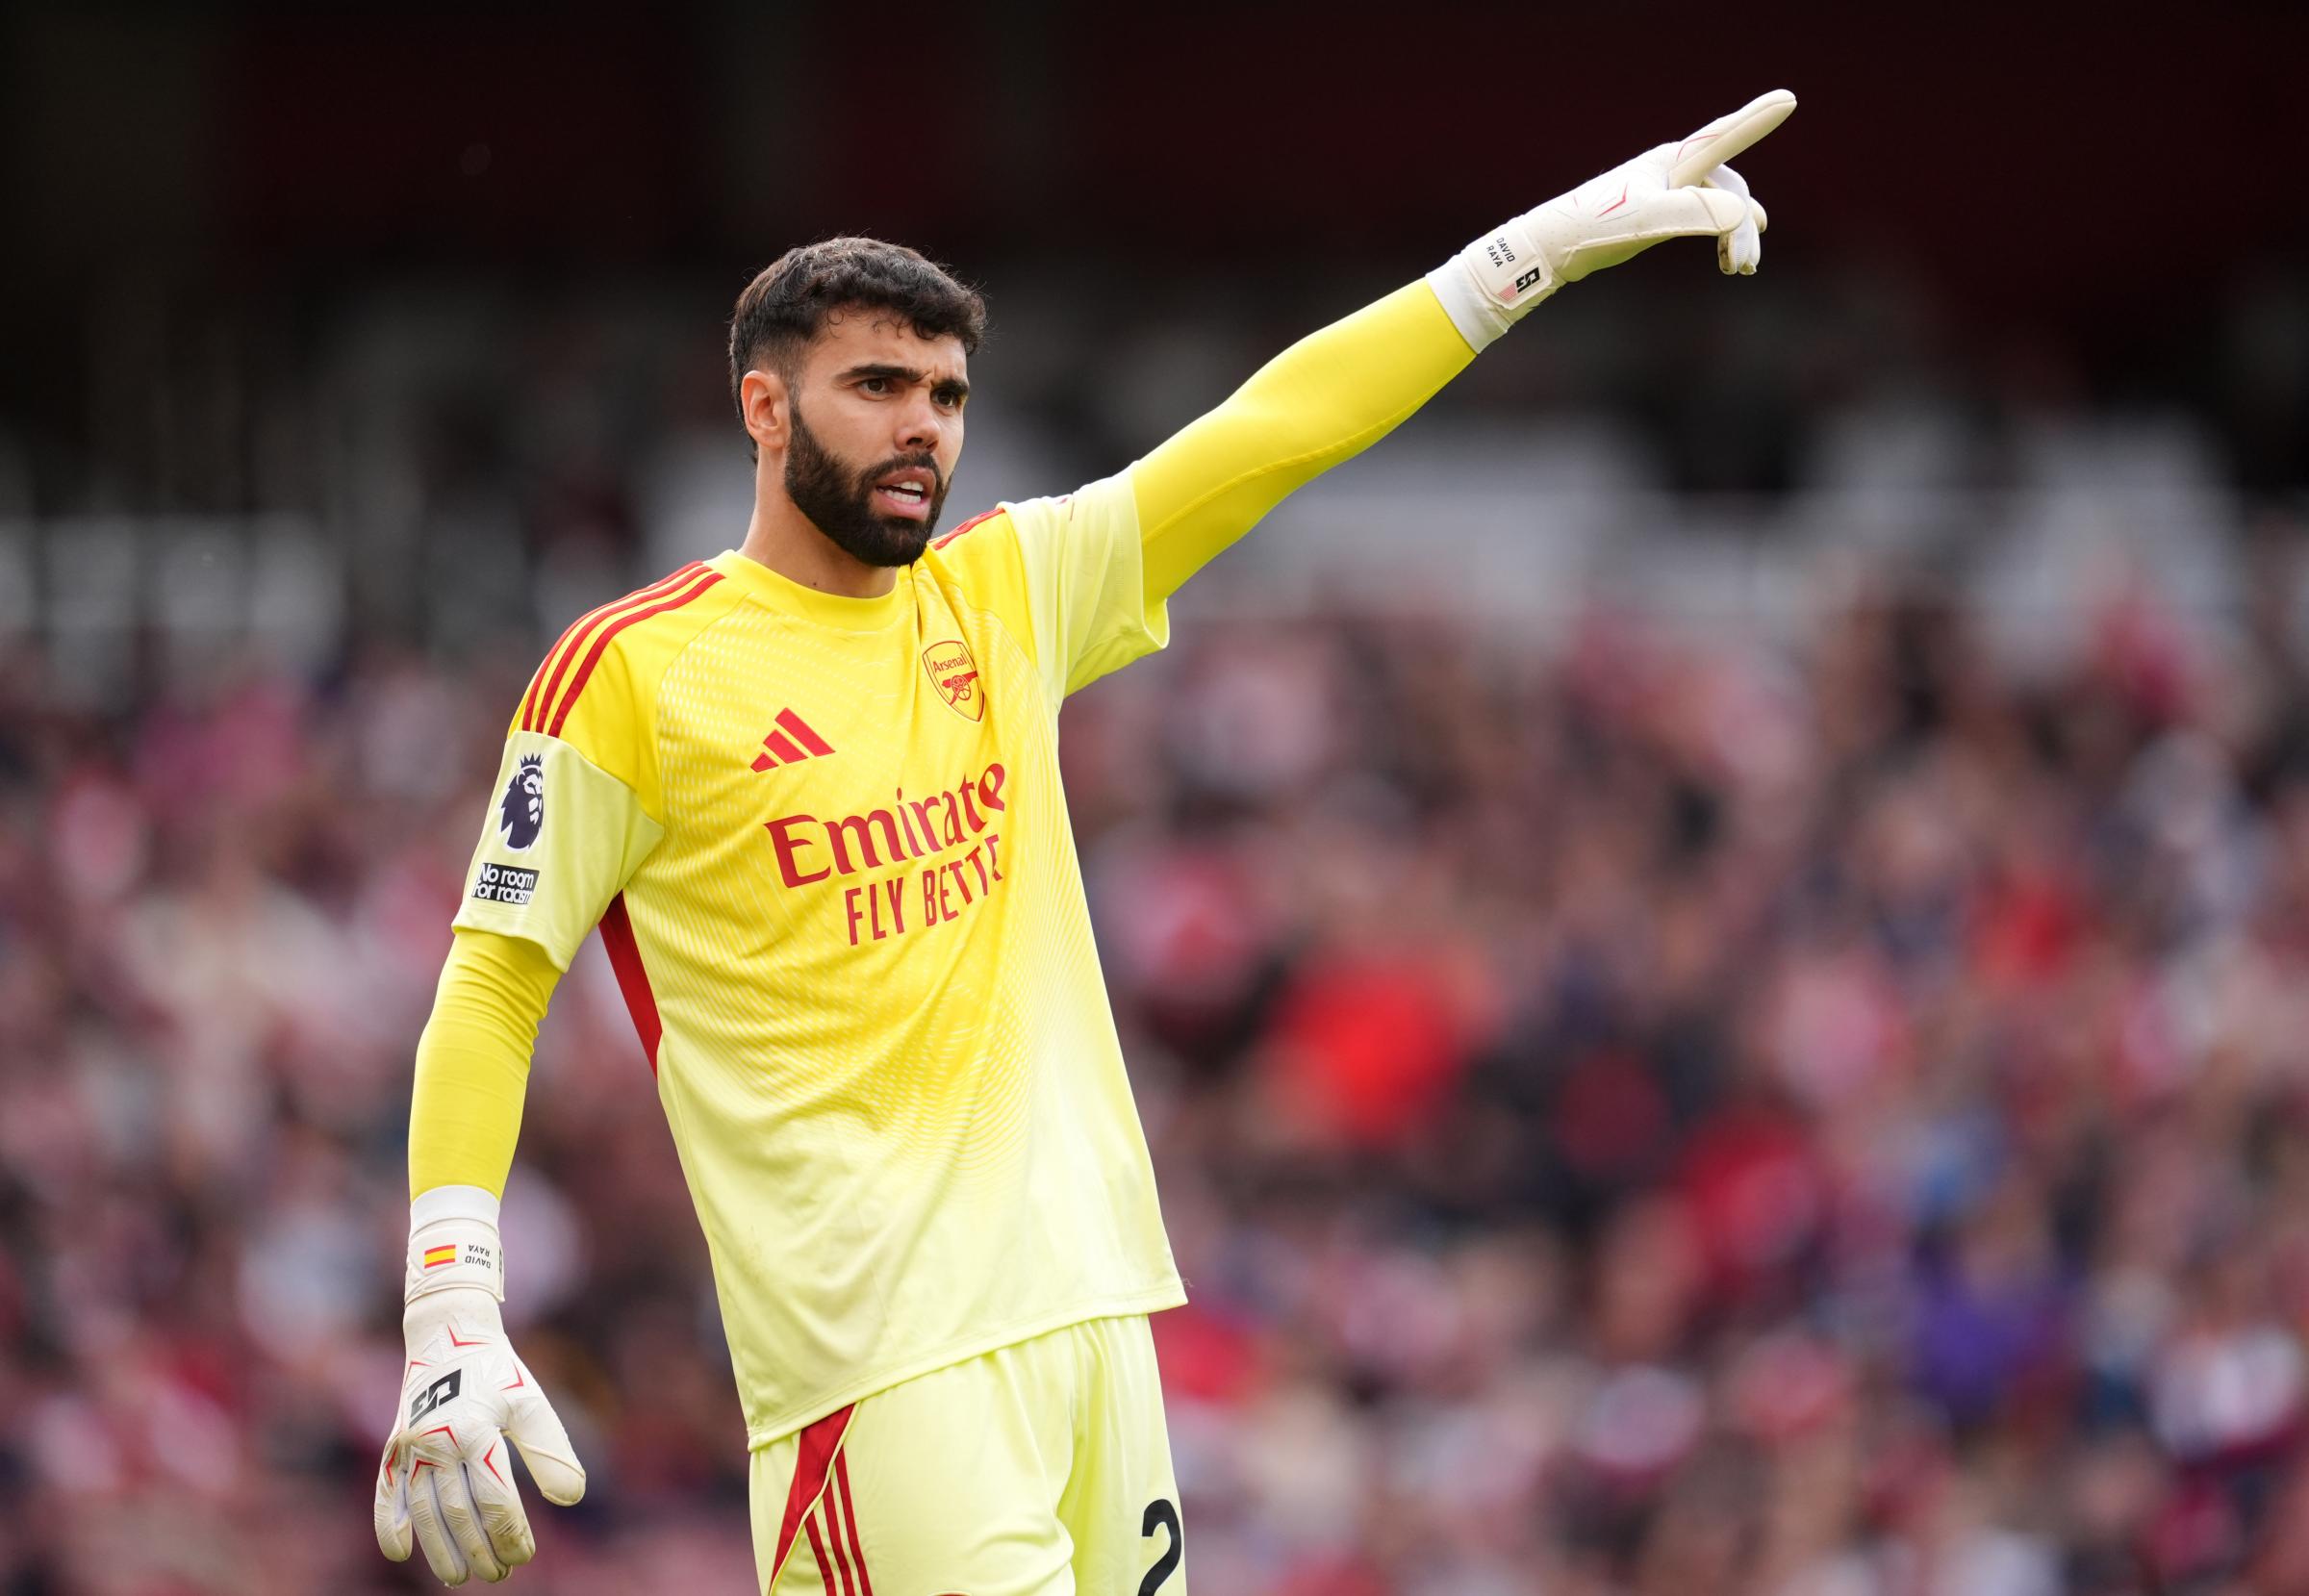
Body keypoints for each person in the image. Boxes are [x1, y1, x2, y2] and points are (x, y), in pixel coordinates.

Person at [371, 89, 1796, 1595]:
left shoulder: (1007, 591)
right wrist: (450, 1302)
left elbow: (1274, 432)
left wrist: (1535, 252)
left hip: (1098, 1329)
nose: (923, 424)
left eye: (946, 392)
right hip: (887, 1377)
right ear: (765, 409)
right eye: (876, 384)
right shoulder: (635, 671)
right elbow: (494, 980)